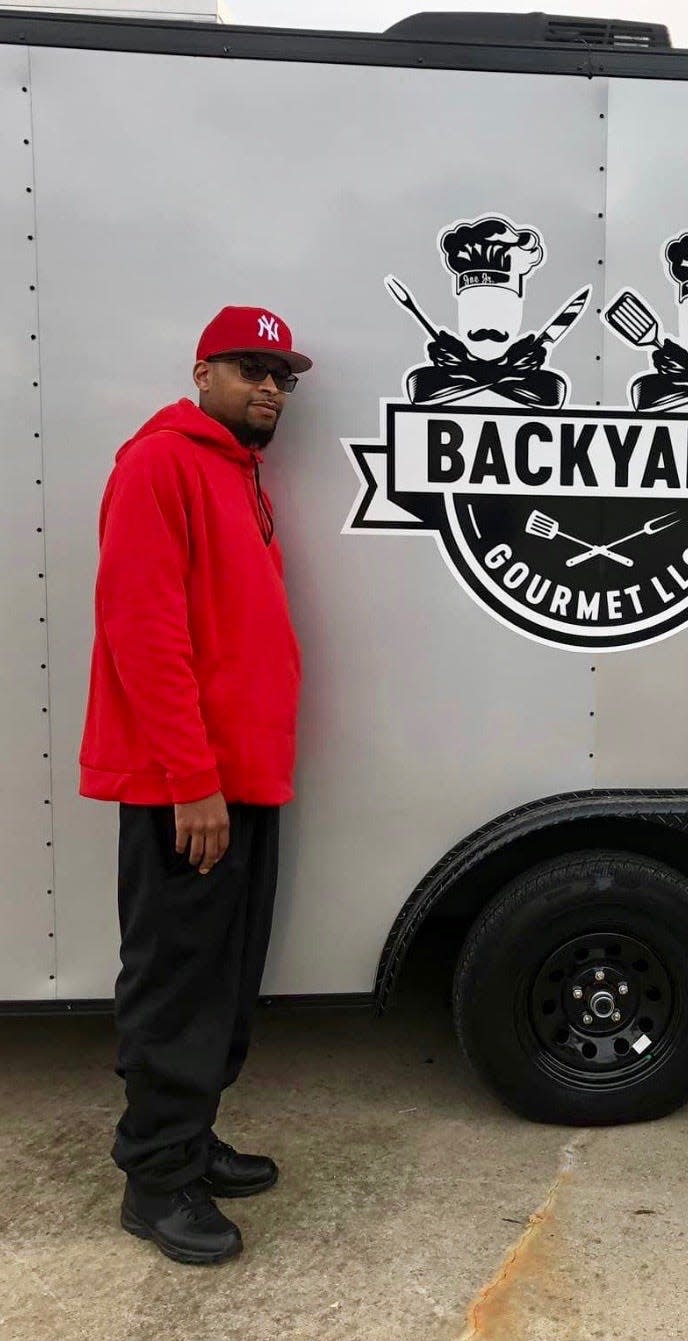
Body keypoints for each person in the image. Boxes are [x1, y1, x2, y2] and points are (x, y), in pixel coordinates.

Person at [79, 306, 312, 1265]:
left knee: (223, 974)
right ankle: (155, 1179)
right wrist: (191, 781)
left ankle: (190, 1137)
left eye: (283, 376)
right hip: (190, 789)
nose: (270, 387)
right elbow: (143, 630)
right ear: (203, 371)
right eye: (251, 368)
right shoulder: (158, 463)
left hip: (241, 779)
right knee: (176, 979)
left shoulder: (238, 472)